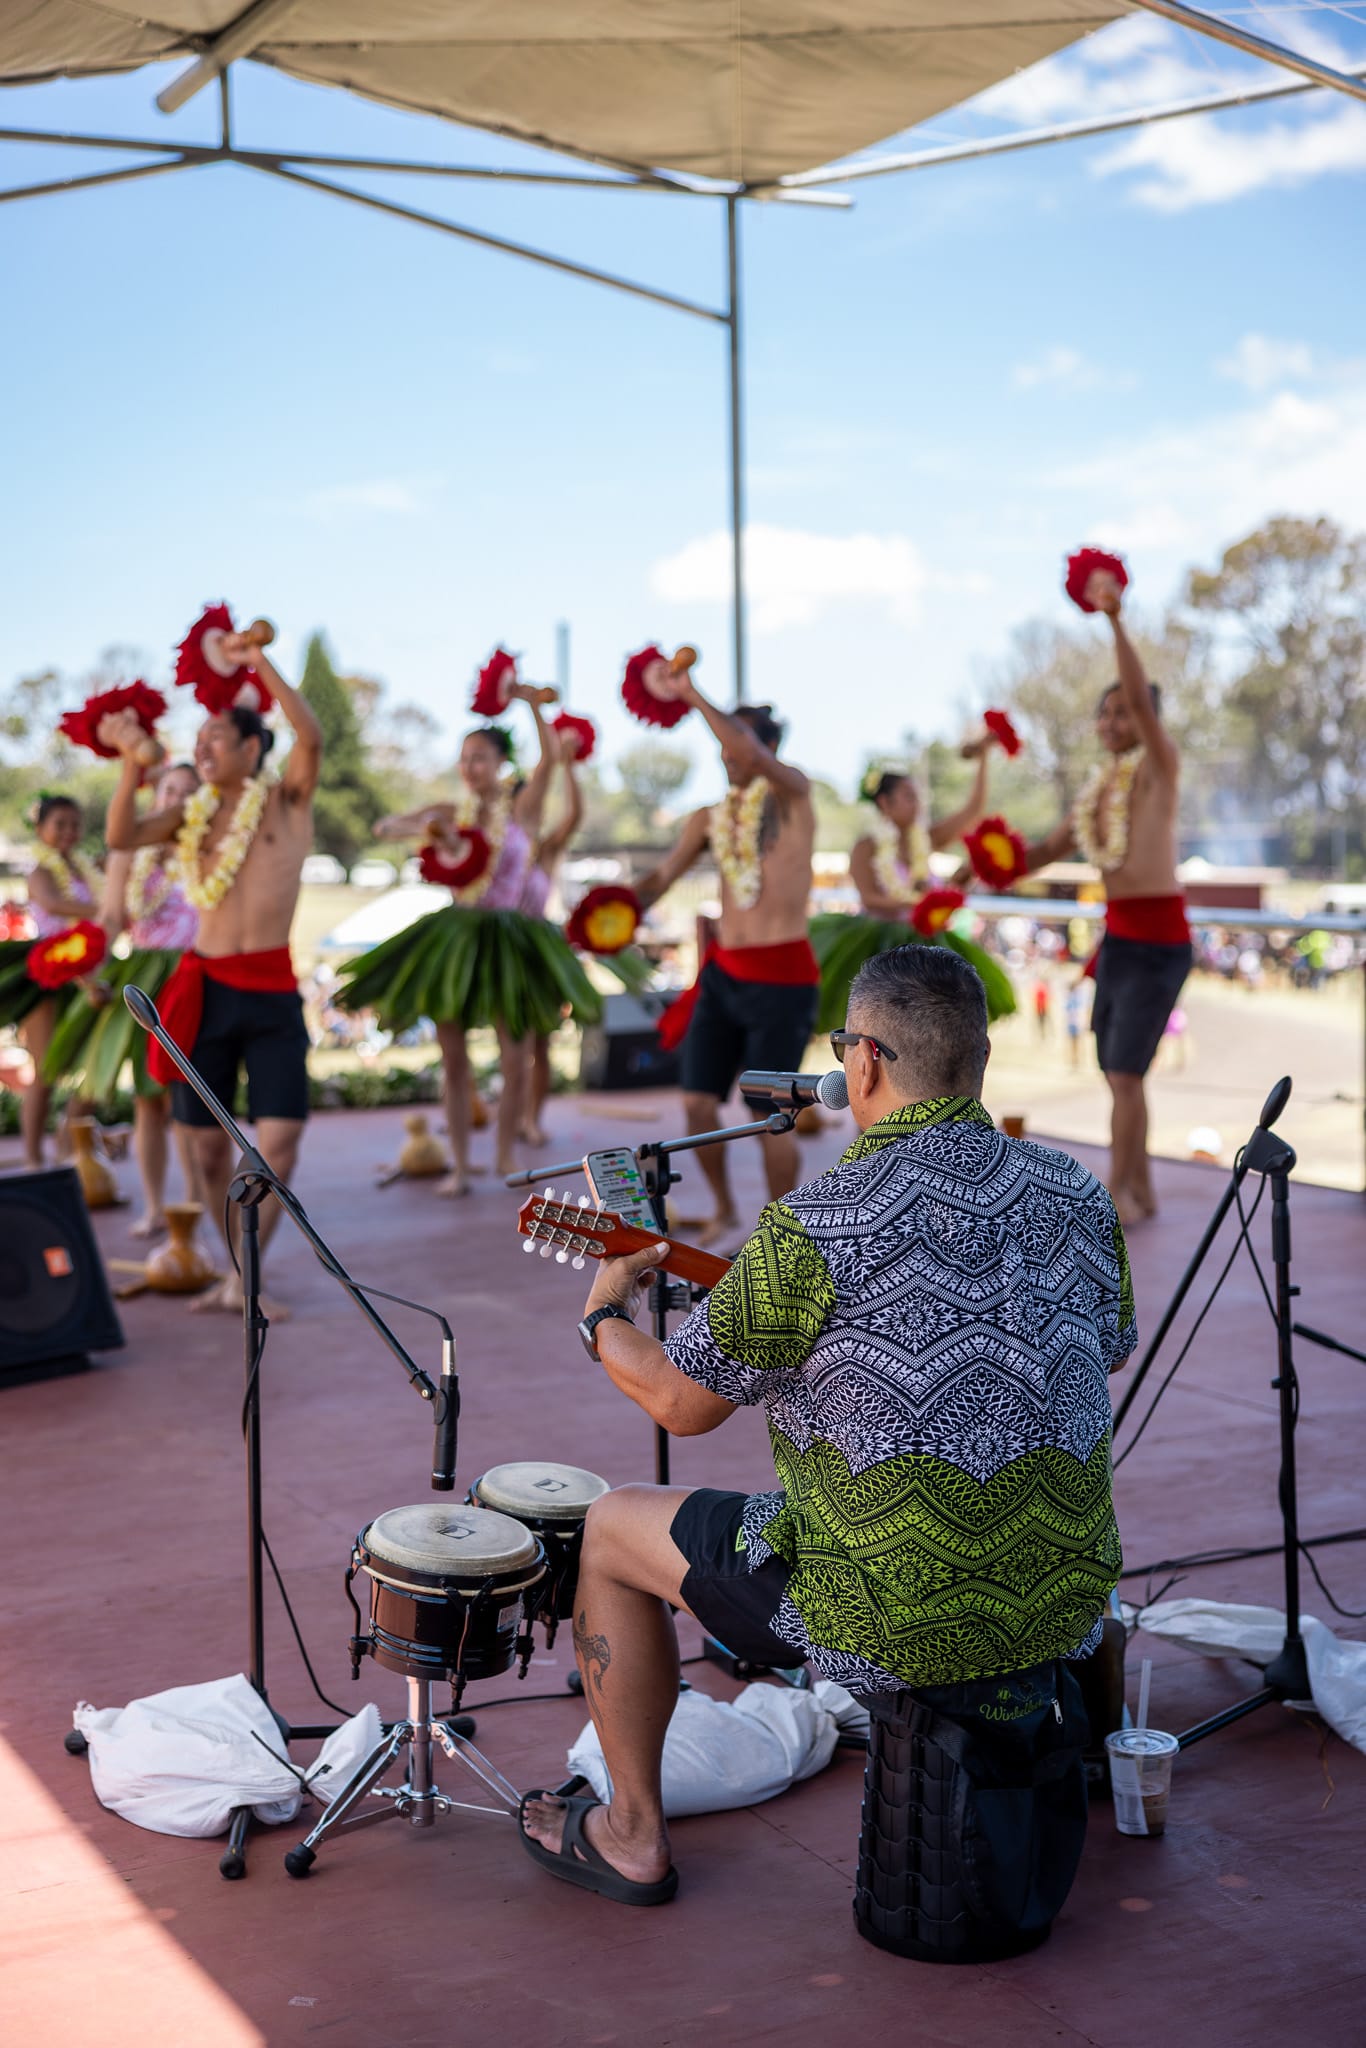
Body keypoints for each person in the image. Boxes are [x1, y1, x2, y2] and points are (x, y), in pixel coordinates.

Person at [517, 943, 1135, 1905]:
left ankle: (632, 1836)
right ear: (976, 1058)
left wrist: (604, 1317)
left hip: (890, 1605)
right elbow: (1104, 1348)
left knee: (607, 1524)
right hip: (1062, 1584)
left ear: (865, 1064)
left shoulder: (818, 1223)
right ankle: (1088, 1764)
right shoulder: (1076, 1193)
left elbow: (682, 1403)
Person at [101, 635, 323, 1313]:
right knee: (203, 1152)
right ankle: (239, 1276)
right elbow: (119, 837)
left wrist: (257, 661)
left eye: (217, 738)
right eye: (198, 742)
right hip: (208, 992)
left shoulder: (285, 802)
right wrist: (128, 766)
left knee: (279, 1143)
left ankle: (246, 1275)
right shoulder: (189, 818)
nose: (203, 750)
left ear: (253, 747)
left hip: (273, 991)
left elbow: (308, 735)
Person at [336, 694, 598, 1190]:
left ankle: (502, 1155)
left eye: (480, 757)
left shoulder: (523, 809)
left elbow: (546, 759)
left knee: (515, 1054)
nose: (470, 767)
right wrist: (421, 828)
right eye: (464, 758)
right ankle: (459, 1165)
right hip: (456, 937)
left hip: (509, 940)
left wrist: (528, 702)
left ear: (502, 763)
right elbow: (384, 826)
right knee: (453, 1057)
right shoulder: (452, 812)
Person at [1021, 569, 1188, 1224]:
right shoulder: (1098, 791)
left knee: (1123, 1075)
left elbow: (1146, 712)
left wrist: (1114, 619)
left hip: (1160, 940)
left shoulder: (1159, 769)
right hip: (1119, 938)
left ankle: (1119, 1195)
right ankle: (1140, 1188)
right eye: (1108, 710)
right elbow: (1043, 852)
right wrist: (979, 868)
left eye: (1128, 710)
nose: (1116, 720)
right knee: (1117, 1072)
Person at [633, 683, 817, 1246]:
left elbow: (757, 758)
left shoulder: (794, 797)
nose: (726, 758)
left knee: (769, 1114)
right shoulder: (711, 818)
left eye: (735, 746)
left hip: (783, 978)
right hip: (724, 975)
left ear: (765, 748)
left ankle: (779, 1234)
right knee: (694, 1102)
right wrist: (607, 914)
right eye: (722, 749)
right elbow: (661, 879)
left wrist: (689, 693)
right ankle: (725, 1211)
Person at [48, 761, 205, 1236]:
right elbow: (112, 919)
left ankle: (198, 1201)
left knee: (191, 1100)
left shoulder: (206, 846)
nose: (175, 800)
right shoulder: (128, 854)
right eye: (168, 790)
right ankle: (157, 1206)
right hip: (143, 975)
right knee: (147, 1099)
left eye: (187, 793)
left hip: (194, 974)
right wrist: (82, 966)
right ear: (155, 798)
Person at [809, 745, 1017, 1033]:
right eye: (908, 797)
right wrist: (920, 904)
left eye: (917, 796)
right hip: (877, 943)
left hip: (927, 943)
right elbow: (870, 898)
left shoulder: (926, 839)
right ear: (885, 802)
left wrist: (983, 756)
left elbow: (973, 811)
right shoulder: (866, 846)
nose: (917, 804)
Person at [0, 794, 101, 1169]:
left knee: (93, 1071)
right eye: (59, 824)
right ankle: (32, 1160)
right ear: (41, 829)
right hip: (48, 975)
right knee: (44, 1072)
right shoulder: (41, 871)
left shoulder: (85, 868)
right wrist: (106, 910)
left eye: (75, 824)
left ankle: (66, 1145)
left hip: (87, 974)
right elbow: (56, 905)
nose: (68, 832)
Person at [519, 721, 585, 1148]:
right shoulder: (492, 850)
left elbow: (574, 816)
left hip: (536, 952)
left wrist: (567, 766)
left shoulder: (545, 851)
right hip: (497, 950)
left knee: (538, 1042)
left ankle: (530, 1119)